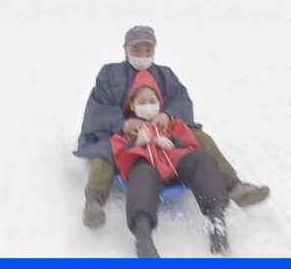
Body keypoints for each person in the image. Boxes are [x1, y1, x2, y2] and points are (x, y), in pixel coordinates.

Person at [74, 26, 269, 229]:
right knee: (105, 149)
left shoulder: (164, 75)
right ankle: (94, 202)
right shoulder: (110, 74)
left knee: (199, 138)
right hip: (123, 133)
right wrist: (122, 122)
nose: (143, 54)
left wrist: (168, 114)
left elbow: (181, 100)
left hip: (162, 131)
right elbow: (98, 106)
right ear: (125, 48)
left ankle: (235, 187)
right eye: (137, 49)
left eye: (148, 50)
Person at [111, 70, 229, 257]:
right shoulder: (126, 131)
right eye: (142, 102)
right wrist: (137, 143)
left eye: (152, 101)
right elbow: (121, 161)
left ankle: (217, 219)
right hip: (149, 171)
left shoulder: (173, 125)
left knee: (202, 159)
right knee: (141, 174)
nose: (148, 106)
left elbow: (192, 145)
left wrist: (174, 143)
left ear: (160, 104)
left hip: (176, 165)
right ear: (133, 105)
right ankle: (143, 238)